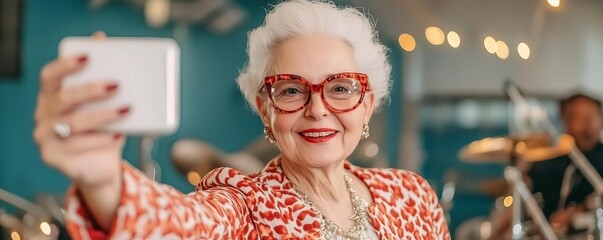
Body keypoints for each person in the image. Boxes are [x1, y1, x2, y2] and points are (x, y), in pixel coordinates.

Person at [33, 1, 450, 239]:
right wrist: (104, 181)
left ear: (366, 103)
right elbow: (184, 226)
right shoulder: (245, 204)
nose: (318, 109)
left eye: (340, 87)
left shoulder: (411, 194)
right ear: (265, 108)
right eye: (291, 90)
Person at [527, 93, 603, 233]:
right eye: (581, 118)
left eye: (592, 117)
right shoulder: (547, 163)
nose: (588, 125)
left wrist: (578, 210)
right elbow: (527, 195)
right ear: (566, 121)